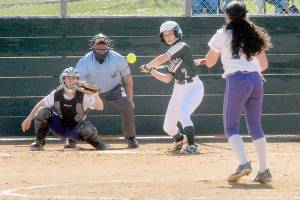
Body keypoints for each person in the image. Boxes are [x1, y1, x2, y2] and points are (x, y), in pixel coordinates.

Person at [195, 1, 272, 183]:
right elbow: (264, 65)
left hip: (237, 80)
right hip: (255, 79)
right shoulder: (254, 33)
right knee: (256, 127)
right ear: (245, 15)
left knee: (231, 127)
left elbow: (211, 61)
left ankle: (244, 163)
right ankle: (264, 170)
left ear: (227, 16)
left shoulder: (222, 34)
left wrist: (203, 61)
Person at [64, 33, 139, 149]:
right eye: (98, 47)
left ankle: (131, 138)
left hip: (114, 89)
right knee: (77, 108)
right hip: (90, 91)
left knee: (127, 106)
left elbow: (128, 82)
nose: (101, 50)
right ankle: (71, 138)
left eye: (104, 47)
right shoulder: (84, 61)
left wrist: (130, 100)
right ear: (92, 47)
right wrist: (86, 93)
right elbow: (77, 83)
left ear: (109, 47)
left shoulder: (118, 59)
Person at [140, 21, 204, 154]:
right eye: (165, 35)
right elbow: (167, 79)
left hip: (194, 87)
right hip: (179, 88)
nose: (168, 37)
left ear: (177, 33)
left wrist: (148, 66)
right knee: (168, 126)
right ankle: (180, 139)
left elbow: (161, 58)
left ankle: (192, 146)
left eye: (171, 33)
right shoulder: (172, 59)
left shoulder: (182, 46)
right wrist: (151, 71)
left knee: (183, 113)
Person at [21, 67, 110, 151]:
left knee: (87, 128)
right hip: (60, 127)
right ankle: (39, 143)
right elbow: (40, 105)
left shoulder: (84, 95)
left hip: (76, 130)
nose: (71, 81)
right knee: (42, 111)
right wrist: (29, 119)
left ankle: (98, 144)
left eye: (74, 78)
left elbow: (100, 107)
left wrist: (96, 95)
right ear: (63, 80)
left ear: (78, 80)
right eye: (68, 78)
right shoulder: (56, 93)